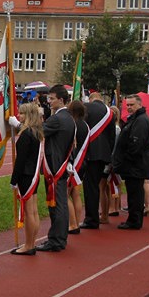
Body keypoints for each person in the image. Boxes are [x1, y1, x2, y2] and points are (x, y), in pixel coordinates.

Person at [27, 85, 75, 251]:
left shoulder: (58, 118)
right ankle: (58, 238)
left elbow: (36, 133)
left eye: (52, 99)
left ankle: (56, 240)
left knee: (57, 205)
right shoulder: (69, 117)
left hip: (55, 166)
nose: (49, 102)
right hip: (61, 164)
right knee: (58, 203)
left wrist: (20, 124)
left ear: (61, 100)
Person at [111, 95, 149, 230]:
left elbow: (136, 144)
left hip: (135, 164)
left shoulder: (140, 121)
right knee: (133, 193)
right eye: (127, 105)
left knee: (135, 193)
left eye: (132, 105)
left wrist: (125, 158)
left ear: (139, 105)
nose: (129, 107)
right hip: (133, 164)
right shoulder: (135, 119)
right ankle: (133, 218)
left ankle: (134, 220)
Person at [10, 102, 43, 253]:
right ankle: (31, 243)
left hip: (25, 175)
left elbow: (20, 160)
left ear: (28, 115)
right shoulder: (36, 132)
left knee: (29, 212)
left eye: (22, 113)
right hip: (33, 174)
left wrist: (14, 180)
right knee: (33, 211)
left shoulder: (26, 134)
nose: (19, 116)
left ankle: (29, 245)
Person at [82, 91, 115, 228]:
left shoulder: (86, 108)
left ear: (90, 99)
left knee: (90, 188)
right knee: (99, 186)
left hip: (90, 153)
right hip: (104, 154)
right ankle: (99, 216)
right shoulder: (110, 112)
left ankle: (91, 219)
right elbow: (112, 136)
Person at [65, 100, 90, 234]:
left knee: (64, 194)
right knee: (76, 193)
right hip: (82, 162)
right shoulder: (85, 125)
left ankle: (73, 223)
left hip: (74, 162)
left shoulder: (72, 124)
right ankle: (77, 221)